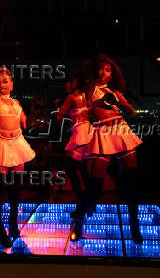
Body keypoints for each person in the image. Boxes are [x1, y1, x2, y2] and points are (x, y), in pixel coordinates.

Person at [70, 54, 144, 244]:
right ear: (95, 71)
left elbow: (132, 112)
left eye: (108, 70)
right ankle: (78, 220)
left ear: (112, 74)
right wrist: (99, 102)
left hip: (122, 133)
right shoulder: (89, 88)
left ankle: (134, 225)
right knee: (94, 185)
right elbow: (85, 103)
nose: (105, 73)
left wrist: (117, 102)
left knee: (131, 183)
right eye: (102, 69)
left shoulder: (117, 93)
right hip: (102, 135)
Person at [0, 67, 35, 248]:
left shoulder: (17, 103)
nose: (2, 85)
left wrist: (36, 110)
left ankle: (12, 222)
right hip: (0, 144)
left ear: (11, 83)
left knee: (15, 189)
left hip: (17, 145)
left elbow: (25, 123)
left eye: (5, 81)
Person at [56, 71, 92, 217]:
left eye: (67, 83)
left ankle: (82, 205)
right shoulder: (85, 96)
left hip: (79, 135)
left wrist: (59, 105)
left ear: (73, 82)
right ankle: (87, 205)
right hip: (88, 132)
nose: (65, 86)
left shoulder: (71, 97)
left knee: (71, 169)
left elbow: (59, 116)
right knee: (83, 171)